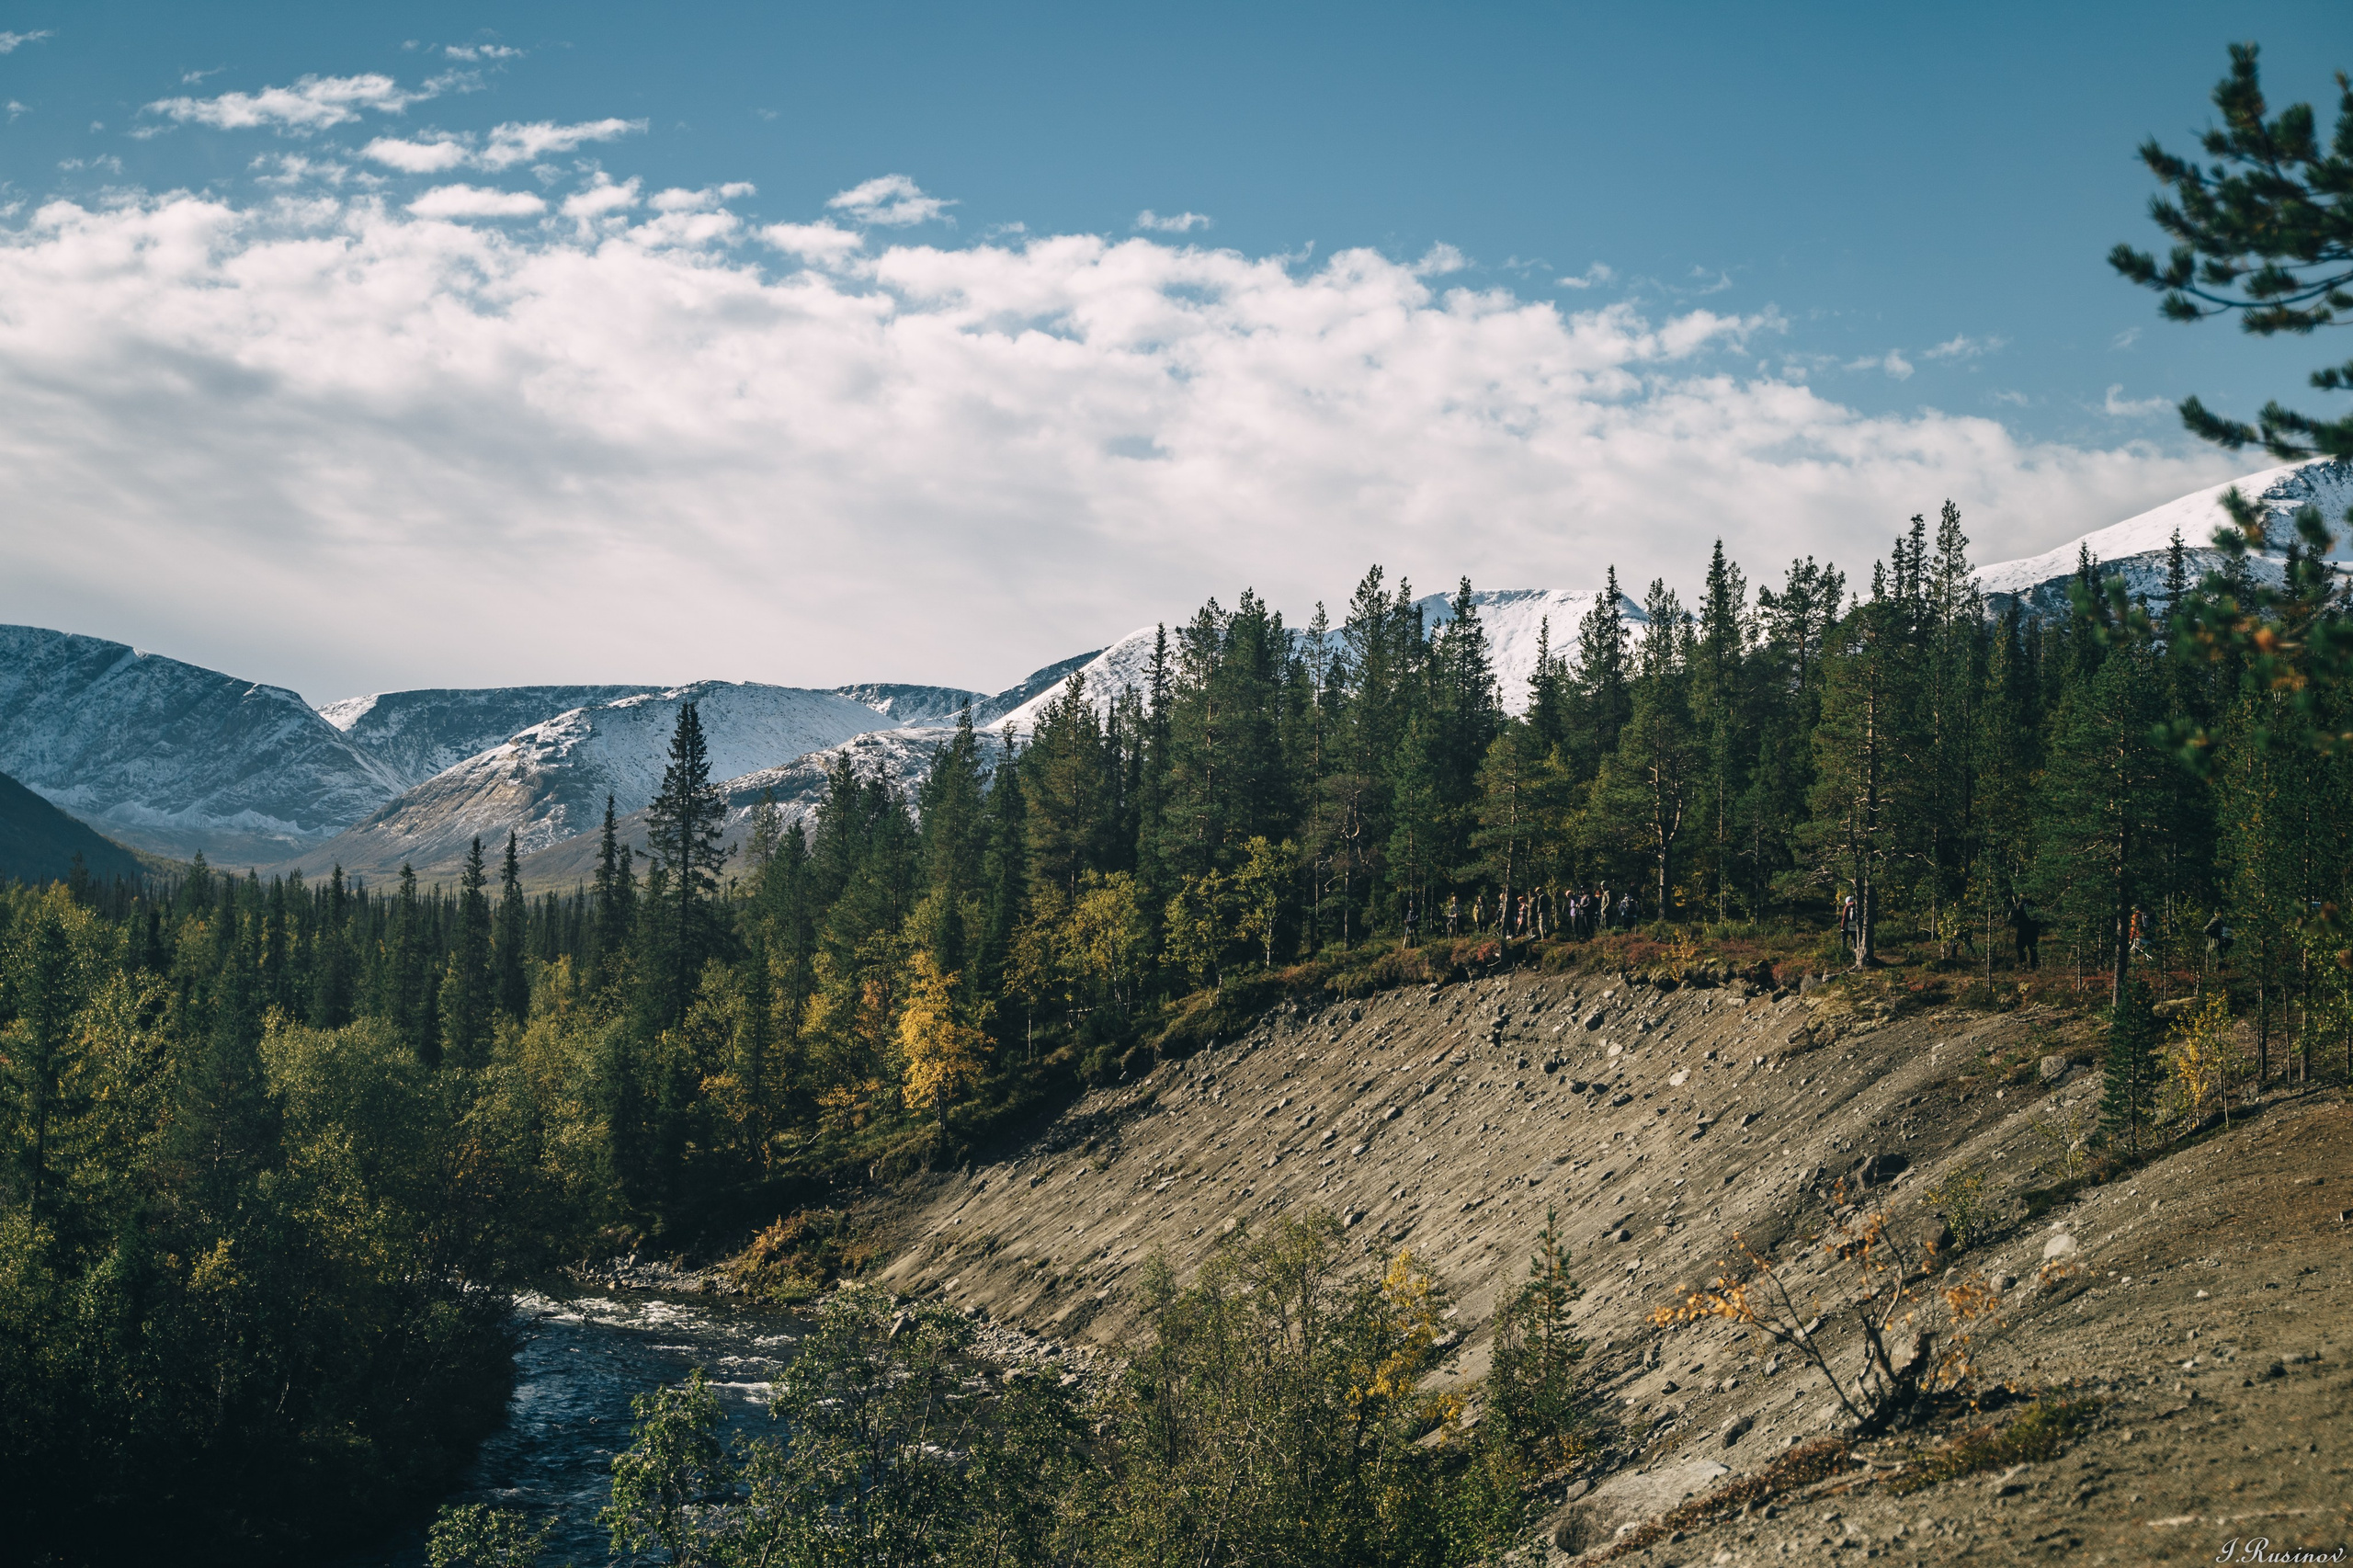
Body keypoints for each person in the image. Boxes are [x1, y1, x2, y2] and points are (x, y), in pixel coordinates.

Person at [2010, 897, 2042, 971]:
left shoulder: (2021, 903)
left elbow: (2016, 916)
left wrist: (2012, 918)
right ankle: (2034, 965)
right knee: (2032, 947)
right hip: (2033, 929)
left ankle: (2023, 964)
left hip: (2023, 929)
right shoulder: (2034, 904)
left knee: (2020, 946)